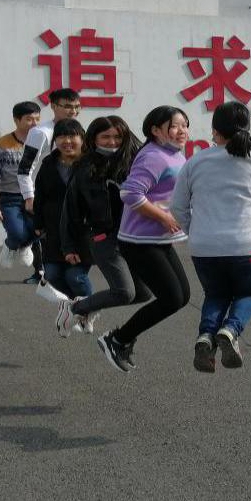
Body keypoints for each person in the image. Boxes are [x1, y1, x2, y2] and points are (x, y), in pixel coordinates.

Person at [171, 102, 251, 373]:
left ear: (214, 130)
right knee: (250, 294)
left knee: (216, 295)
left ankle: (206, 336)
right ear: (247, 128)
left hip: (204, 247)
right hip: (248, 246)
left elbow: (177, 207)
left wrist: (195, 230)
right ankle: (230, 330)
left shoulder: (195, 162)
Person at [96, 105, 192, 373]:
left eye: (185, 125)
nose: (182, 131)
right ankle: (117, 339)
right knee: (172, 298)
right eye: (175, 126)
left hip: (157, 240)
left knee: (182, 296)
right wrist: (163, 217)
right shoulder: (154, 156)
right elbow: (130, 194)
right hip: (139, 241)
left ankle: (120, 339)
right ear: (156, 130)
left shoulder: (174, 154)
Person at [56, 116, 154, 337]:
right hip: (104, 238)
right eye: (105, 137)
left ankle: (88, 305)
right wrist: (69, 246)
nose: (112, 142)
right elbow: (70, 210)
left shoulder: (136, 162)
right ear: (94, 138)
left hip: (133, 237)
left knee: (143, 293)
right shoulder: (84, 168)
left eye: (117, 137)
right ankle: (74, 308)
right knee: (124, 292)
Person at [18, 88, 83, 284]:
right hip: (46, 196)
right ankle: (42, 273)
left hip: (72, 196)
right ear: (53, 106)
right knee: (48, 240)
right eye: (68, 106)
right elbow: (25, 168)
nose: (73, 111)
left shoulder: (79, 131)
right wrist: (29, 197)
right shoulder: (40, 133)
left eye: (77, 107)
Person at [30, 118, 93, 313]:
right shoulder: (48, 163)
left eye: (72, 136)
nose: (67, 141)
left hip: (82, 231)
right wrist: (38, 223)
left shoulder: (91, 164)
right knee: (52, 274)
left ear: (82, 138)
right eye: (61, 136)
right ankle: (74, 308)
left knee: (76, 277)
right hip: (54, 229)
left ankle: (87, 311)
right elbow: (40, 196)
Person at [0, 101, 42, 270]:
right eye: (29, 119)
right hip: (10, 197)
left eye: (37, 119)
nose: (34, 123)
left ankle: (25, 245)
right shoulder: (0, 144)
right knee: (18, 233)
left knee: (41, 229)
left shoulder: (43, 140)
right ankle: (11, 245)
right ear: (16, 120)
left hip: (37, 196)